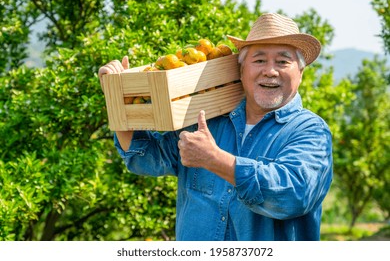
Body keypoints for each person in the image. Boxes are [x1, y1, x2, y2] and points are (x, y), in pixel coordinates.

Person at [98, 13, 333, 241]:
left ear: (300, 73)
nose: (270, 70)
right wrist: (119, 97)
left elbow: (293, 195)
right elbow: (146, 157)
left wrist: (214, 159)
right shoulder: (207, 119)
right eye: (259, 60)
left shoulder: (310, 131)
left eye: (282, 61)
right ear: (241, 70)